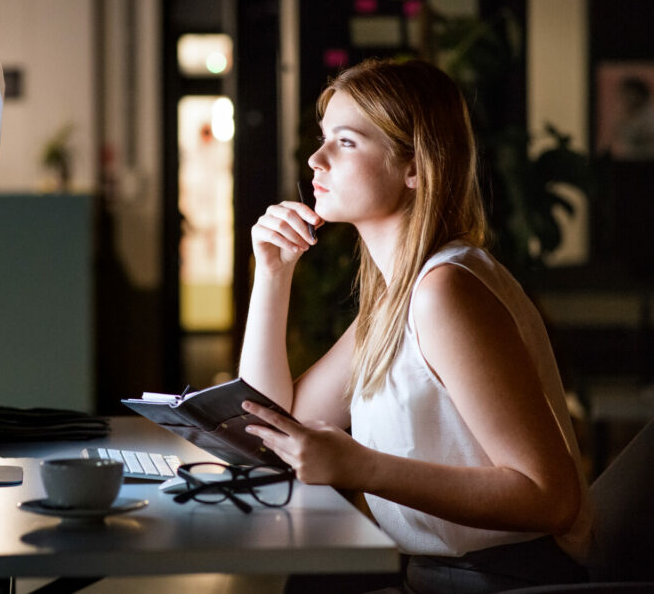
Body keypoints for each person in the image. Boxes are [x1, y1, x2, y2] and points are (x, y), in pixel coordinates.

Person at [238, 59, 592, 593]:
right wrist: (273, 274)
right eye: (322, 139)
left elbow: (551, 497)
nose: (315, 159)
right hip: (438, 578)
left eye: (346, 142)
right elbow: (269, 427)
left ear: (415, 168)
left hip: (510, 582)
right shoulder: (395, 298)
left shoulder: (445, 291)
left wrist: (362, 468)